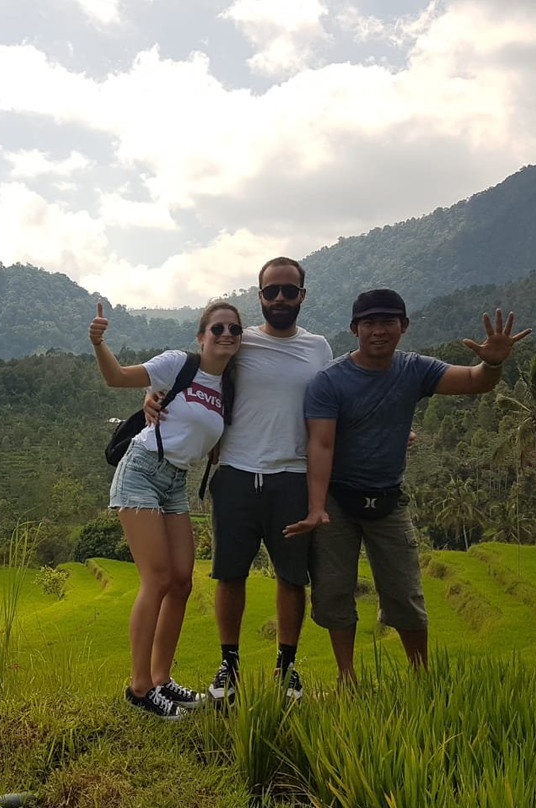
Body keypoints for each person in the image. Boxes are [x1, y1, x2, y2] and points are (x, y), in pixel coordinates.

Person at [285, 289, 531, 684]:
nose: (378, 331)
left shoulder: (415, 369)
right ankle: (346, 679)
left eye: (387, 322)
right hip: (338, 499)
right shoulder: (330, 381)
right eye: (369, 323)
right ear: (354, 329)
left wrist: (492, 365)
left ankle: (422, 678)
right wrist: (317, 507)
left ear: (404, 326)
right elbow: (321, 444)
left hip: (389, 498)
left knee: (404, 592)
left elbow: (473, 381)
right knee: (333, 591)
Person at [147, 256, 332, 702]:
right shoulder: (238, 341)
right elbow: (192, 370)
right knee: (230, 574)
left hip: (292, 474)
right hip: (234, 473)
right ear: (260, 296)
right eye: (273, 291)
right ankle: (228, 665)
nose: (282, 298)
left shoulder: (318, 349)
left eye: (290, 290)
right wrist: (150, 394)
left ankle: (287, 668)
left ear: (302, 296)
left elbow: (335, 404)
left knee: (292, 577)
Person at [91, 299, 243, 719]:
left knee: (181, 583)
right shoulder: (179, 364)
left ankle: (161, 680)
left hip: (176, 481)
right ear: (201, 336)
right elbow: (117, 377)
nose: (227, 335)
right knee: (156, 578)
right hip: (141, 469)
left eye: (234, 329)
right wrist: (99, 342)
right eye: (218, 329)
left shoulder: (230, 387)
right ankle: (139, 688)